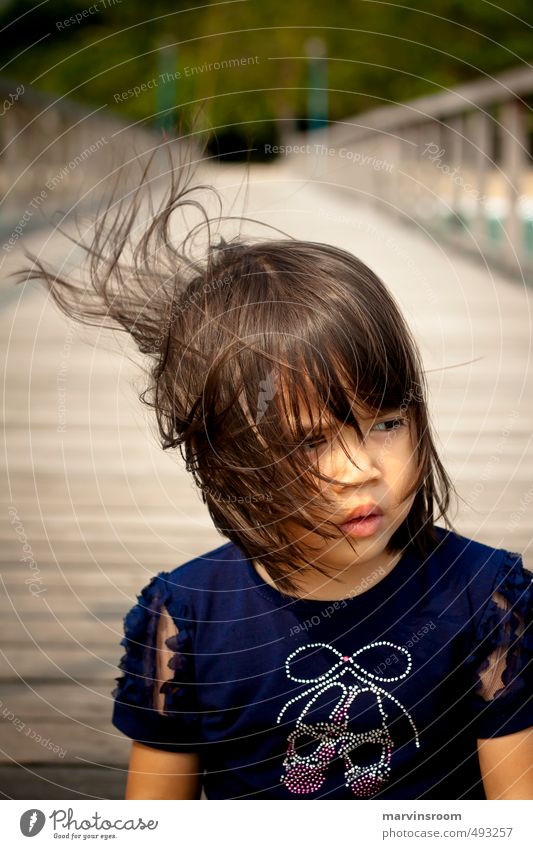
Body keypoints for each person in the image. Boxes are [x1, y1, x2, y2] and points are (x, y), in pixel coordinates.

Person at [16, 136, 532, 801]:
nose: (358, 470)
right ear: (230, 458)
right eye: (308, 443)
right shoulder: (189, 615)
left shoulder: (485, 598)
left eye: (385, 423)